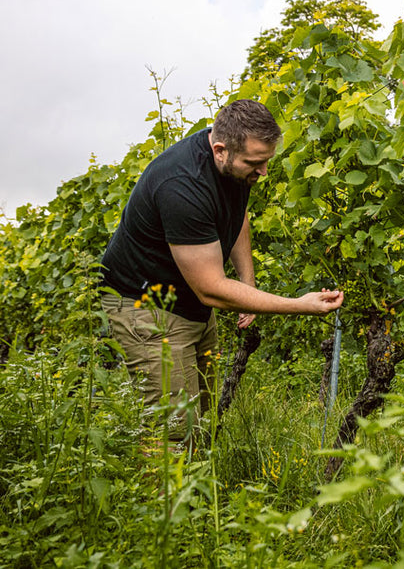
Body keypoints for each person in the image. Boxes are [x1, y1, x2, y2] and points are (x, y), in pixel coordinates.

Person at [99, 98, 342, 440]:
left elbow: (235, 214)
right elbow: (210, 287)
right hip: (145, 308)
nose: (263, 172)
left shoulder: (232, 169)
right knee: (173, 431)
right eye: (255, 163)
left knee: (202, 414)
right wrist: (300, 305)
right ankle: (160, 493)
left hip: (187, 303)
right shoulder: (182, 186)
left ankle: (196, 491)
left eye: (267, 161)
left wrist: (248, 281)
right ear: (219, 149)